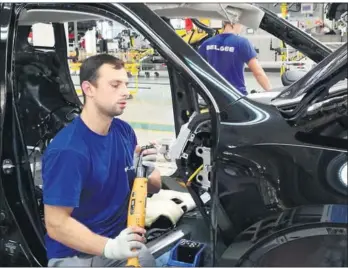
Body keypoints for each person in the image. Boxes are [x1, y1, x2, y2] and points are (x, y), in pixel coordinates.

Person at [42, 54, 162, 267]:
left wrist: (146, 170)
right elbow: (56, 224)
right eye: (115, 85)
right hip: (77, 255)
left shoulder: (123, 131)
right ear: (89, 89)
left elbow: (155, 187)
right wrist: (111, 248)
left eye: (125, 83)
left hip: (119, 240)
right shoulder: (69, 150)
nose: (125, 92)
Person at [198, 21, 272, 95]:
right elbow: (258, 73)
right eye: (241, 24)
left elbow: (198, 70)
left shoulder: (207, 43)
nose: (241, 28)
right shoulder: (242, 43)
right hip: (236, 96)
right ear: (233, 23)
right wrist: (271, 93)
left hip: (214, 96)